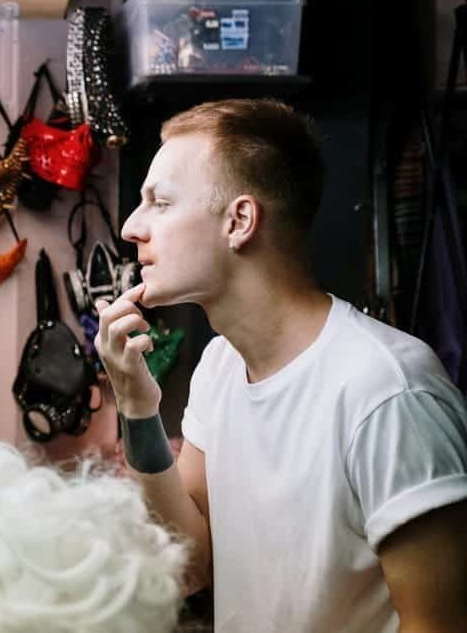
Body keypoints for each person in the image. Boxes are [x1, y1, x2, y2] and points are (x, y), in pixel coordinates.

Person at [95, 98, 467, 632]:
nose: (132, 227)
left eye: (160, 202)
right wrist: (136, 406)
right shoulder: (220, 366)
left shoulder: (388, 392)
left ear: (240, 221)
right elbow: (189, 566)